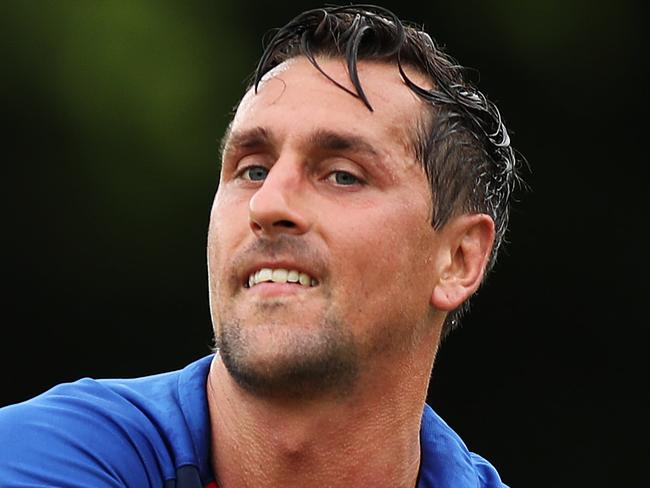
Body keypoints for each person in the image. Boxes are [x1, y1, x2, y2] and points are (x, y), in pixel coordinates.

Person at [0, 5, 523, 487]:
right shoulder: (48, 456)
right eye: (251, 170)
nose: (268, 204)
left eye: (342, 176)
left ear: (457, 259)